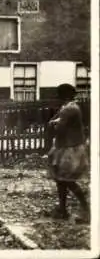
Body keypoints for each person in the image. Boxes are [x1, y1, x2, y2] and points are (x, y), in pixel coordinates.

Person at [46, 83, 89, 222]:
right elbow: (54, 121)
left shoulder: (70, 108)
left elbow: (59, 128)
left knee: (68, 180)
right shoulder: (68, 107)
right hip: (64, 147)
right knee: (60, 180)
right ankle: (62, 210)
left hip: (70, 149)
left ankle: (86, 209)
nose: (58, 98)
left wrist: (54, 124)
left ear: (65, 95)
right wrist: (55, 122)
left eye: (60, 95)